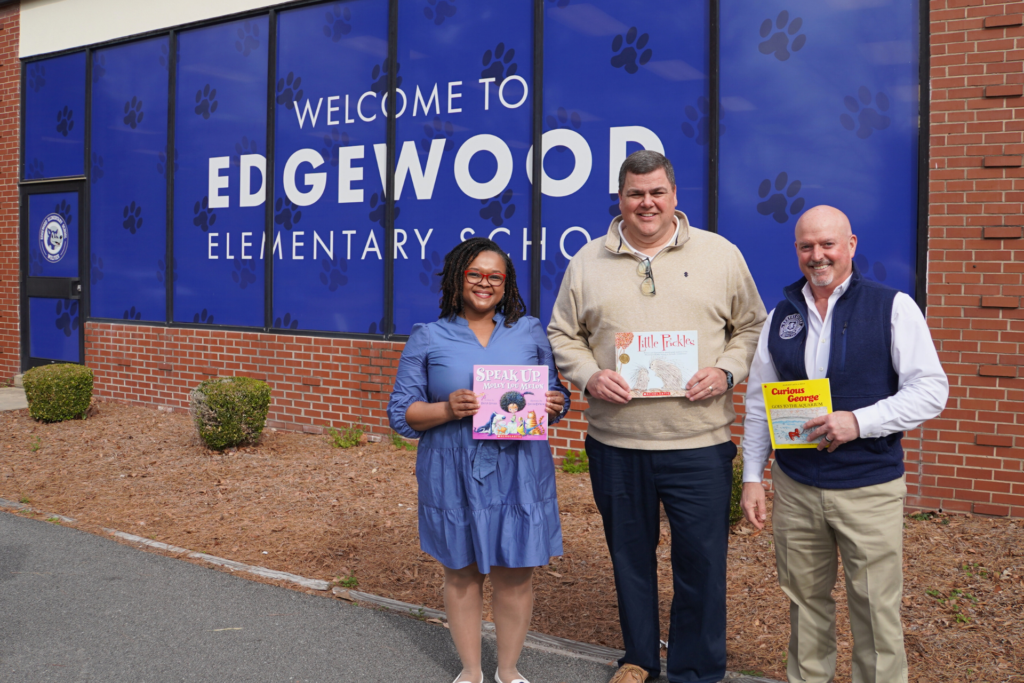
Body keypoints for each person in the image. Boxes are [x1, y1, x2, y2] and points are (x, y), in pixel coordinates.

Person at [547, 150, 767, 683]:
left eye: (656, 192)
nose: (646, 203)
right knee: (630, 559)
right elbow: (561, 335)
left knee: (702, 565)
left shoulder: (721, 254)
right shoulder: (586, 262)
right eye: (635, 193)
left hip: (698, 443)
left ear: (674, 196)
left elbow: (752, 327)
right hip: (617, 444)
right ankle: (640, 658)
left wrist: (726, 372)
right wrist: (590, 375)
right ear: (619, 200)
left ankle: (695, 669)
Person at [740, 205, 948, 683]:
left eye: (828, 244)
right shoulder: (781, 317)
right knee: (805, 605)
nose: (818, 256)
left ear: (851, 245)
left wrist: (861, 421)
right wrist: (753, 476)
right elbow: (758, 405)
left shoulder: (892, 307)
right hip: (796, 487)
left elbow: (931, 390)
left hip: (867, 489)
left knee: (875, 613)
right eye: (807, 246)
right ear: (796, 251)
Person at [387, 237, 571, 683]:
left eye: (495, 276)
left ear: (506, 285)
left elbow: (559, 395)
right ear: (457, 278)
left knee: (515, 572)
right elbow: (401, 413)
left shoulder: (529, 331)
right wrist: (447, 409)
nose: (484, 283)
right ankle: (471, 671)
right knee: (463, 571)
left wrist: (552, 403)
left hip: (520, 468)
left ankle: (508, 670)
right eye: (475, 274)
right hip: (452, 468)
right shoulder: (427, 337)